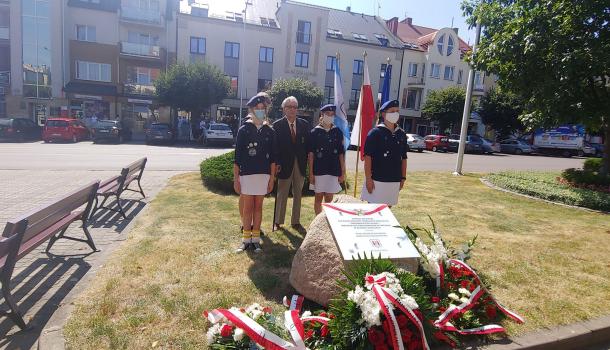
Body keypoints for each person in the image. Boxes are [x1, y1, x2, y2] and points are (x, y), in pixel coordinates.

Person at [233, 95, 276, 252]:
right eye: (256, 109)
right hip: (247, 175)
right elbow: (237, 157)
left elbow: (273, 158)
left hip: (263, 175)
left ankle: (256, 239)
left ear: (266, 110)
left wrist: (272, 178)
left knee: (258, 207)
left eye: (262, 109)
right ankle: (246, 240)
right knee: (247, 208)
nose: (260, 111)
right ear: (251, 110)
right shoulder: (244, 130)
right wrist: (236, 179)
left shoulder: (269, 131)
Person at [361, 99, 408, 206]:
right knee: (373, 212)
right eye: (392, 111)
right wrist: (368, 179)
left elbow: (404, 158)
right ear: (383, 114)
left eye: (397, 111)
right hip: (377, 180)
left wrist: (403, 178)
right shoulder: (375, 133)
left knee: (387, 212)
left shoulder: (401, 134)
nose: (395, 114)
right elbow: (368, 157)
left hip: (394, 179)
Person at [273, 96, 310, 230]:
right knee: (282, 193)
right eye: (290, 107)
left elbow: (307, 146)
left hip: (300, 164)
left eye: (295, 107)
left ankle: (296, 221)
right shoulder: (277, 125)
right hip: (283, 164)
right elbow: (275, 147)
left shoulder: (304, 125)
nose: (293, 110)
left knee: (298, 193)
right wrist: (276, 163)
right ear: (284, 109)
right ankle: (278, 221)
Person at [308, 104, 346, 215]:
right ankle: (317, 222)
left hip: (333, 170)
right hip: (319, 170)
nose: (330, 116)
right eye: (327, 114)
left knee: (329, 199)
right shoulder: (314, 132)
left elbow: (340, 154)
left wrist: (342, 172)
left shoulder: (337, 132)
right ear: (322, 115)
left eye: (332, 114)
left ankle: (327, 221)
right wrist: (311, 173)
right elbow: (311, 155)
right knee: (318, 198)